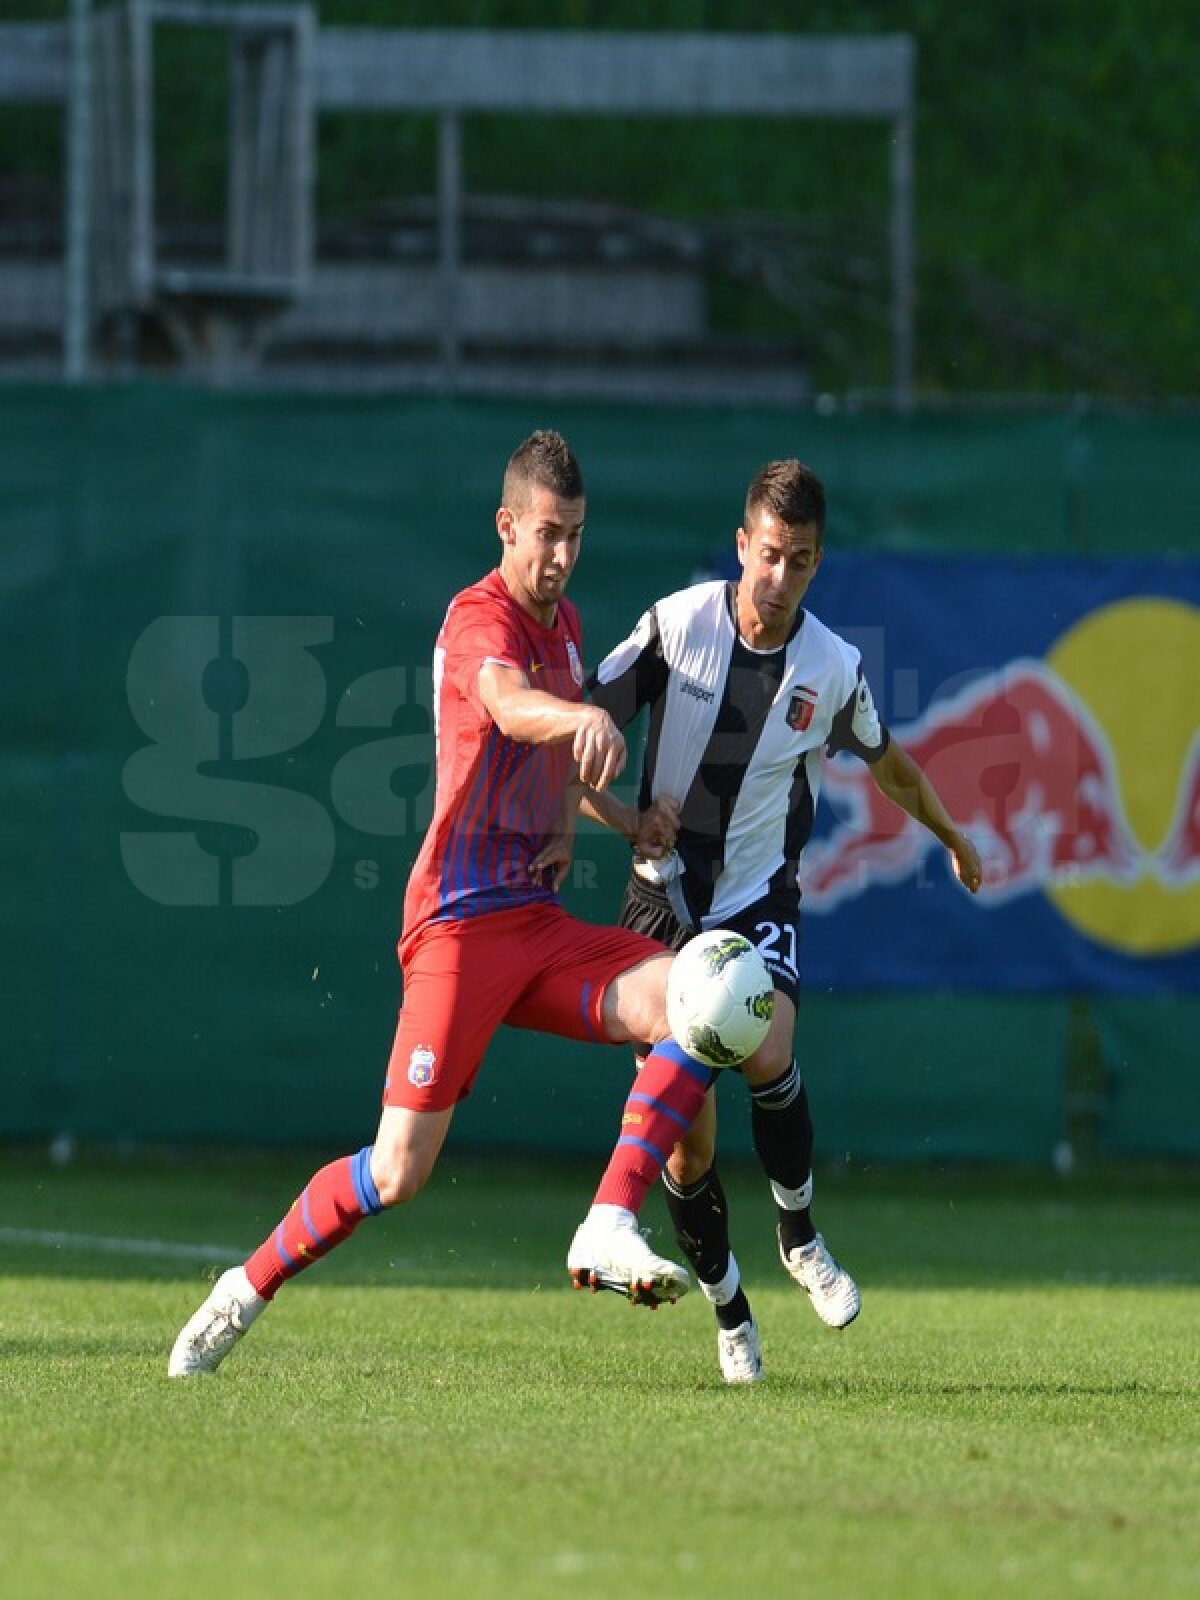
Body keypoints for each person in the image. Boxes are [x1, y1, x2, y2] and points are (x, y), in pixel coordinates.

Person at [168, 429, 723, 1378]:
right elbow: (510, 707)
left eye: (576, 535)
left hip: (537, 926)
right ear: (506, 526)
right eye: (546, 534)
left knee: (701, 996)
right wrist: (583, 714)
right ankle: (240, 1291)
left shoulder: (567, 624)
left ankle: (607, 1220)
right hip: (458, 928)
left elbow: (554, 759)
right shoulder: (482, 618)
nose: (560, 555)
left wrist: (627, 822)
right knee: (397, 1171)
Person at [569, 459, 983, 1384]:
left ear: (817, 560)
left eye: (800, 561)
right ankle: (729, 1310)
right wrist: (625, 821)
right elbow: (577, 743)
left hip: (757, 902)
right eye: (768, 556)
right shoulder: (677, 627)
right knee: (690, 1143)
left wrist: (952, 835)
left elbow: (889, 764)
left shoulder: (832, 666)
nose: (780, 577)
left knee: (766, 1050)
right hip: (659, 900)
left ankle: (798, 1234)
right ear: (742, 544)